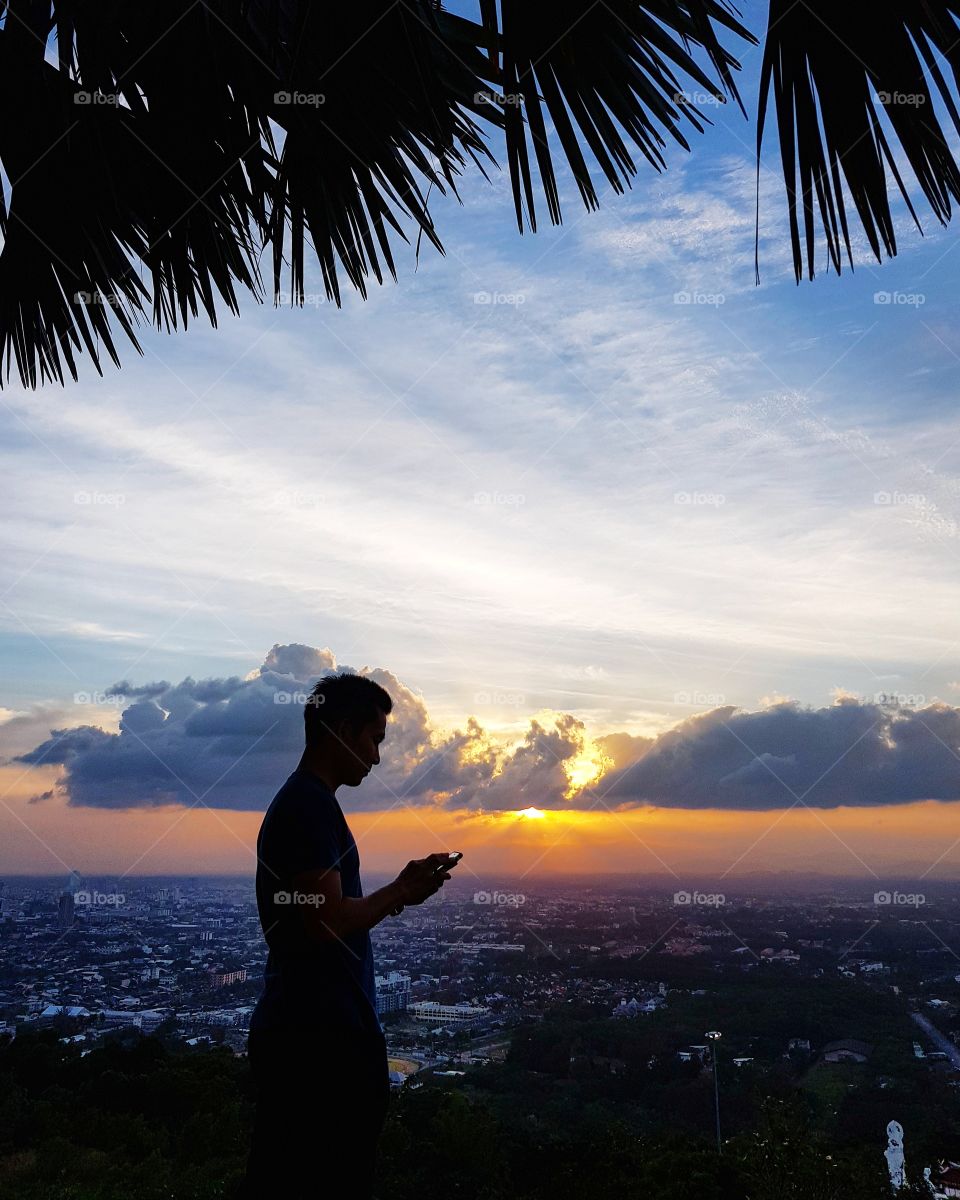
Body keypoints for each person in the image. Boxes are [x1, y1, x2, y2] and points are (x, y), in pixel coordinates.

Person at [242, 671, 460, 1198]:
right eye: (374, 739)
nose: (378, 757)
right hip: (320, 1046)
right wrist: (400, 893)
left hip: (307, 1035)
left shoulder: (305, 803)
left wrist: (396, 893)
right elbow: (326, 920)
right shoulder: (309, 806)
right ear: (341, 730)